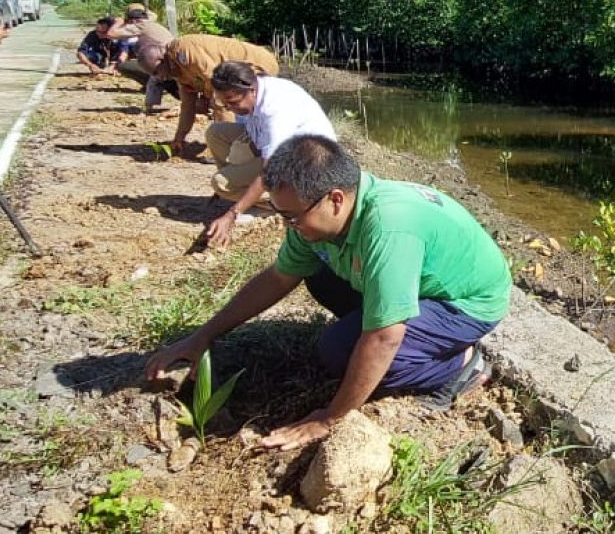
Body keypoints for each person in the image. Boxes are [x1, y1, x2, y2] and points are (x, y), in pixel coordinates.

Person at [144, 135, 511, 451]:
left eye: (292, 216)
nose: (288, 224)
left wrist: (331, 418)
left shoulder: (388, 227)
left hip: (466, 302)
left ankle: (459, 366)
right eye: (281, 213)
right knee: (317, 275)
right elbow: (277, 278)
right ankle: (401, 325)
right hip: (417, 284)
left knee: (338, 352)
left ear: (335, 198)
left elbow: (385, 336)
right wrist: (202, 336)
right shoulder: (317, 218)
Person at [203, 61, 337, 247]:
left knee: (221, 182)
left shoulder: (275, 110)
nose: (230, 109)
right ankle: (246, 194)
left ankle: (276, 204)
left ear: (251, 90)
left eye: (232, 103)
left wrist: (232, 214)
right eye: (225, 104)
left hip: (308, 162)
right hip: (281, 150)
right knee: (216, 132)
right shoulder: (253, 92)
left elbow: (269, 170)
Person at [133, 24, 280, 155]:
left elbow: (218, 85)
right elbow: (187, 107)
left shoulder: (184, 50)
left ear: (161, 59)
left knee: (226, 102)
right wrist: (179, 138)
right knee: (201, 104)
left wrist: (217, 148)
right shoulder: (177, 70)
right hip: (232, 76)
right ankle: (243, 143)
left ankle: (238, 147)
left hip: (257, 65)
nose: (159, 78)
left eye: (157, 72)